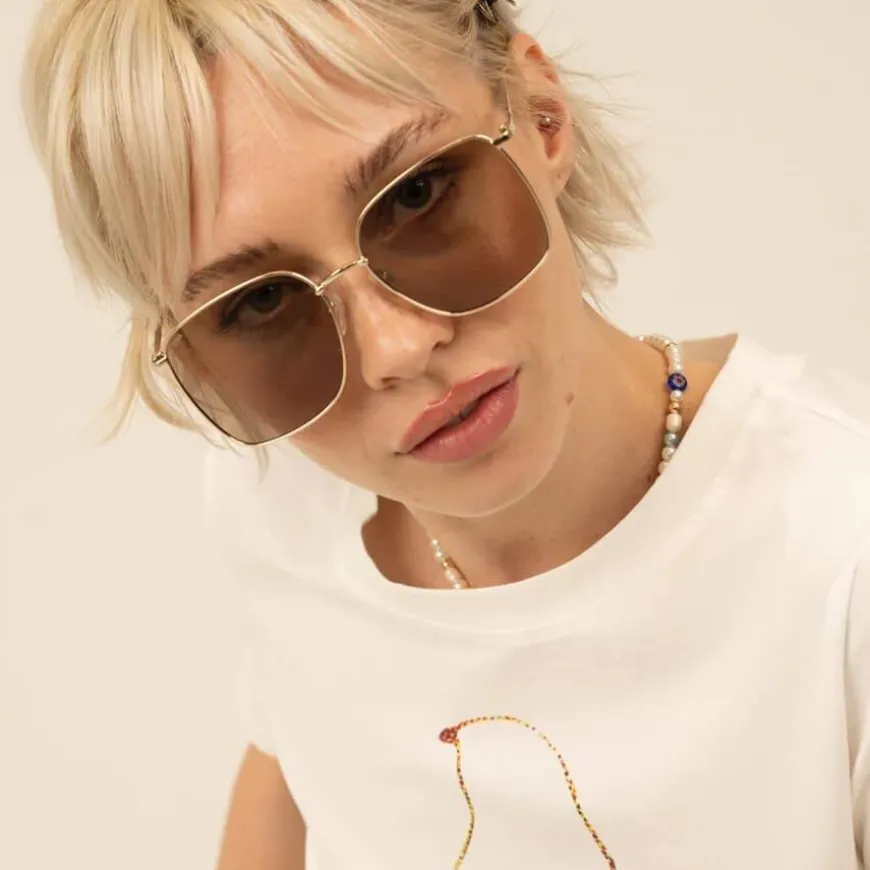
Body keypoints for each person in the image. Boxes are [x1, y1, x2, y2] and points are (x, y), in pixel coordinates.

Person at [21, 0, 870, 867]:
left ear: (541, 113)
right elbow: (296, 768)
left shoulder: (838, 554)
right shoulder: (287, 515)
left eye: (417, 195)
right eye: (264, 302)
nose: (396, 349)